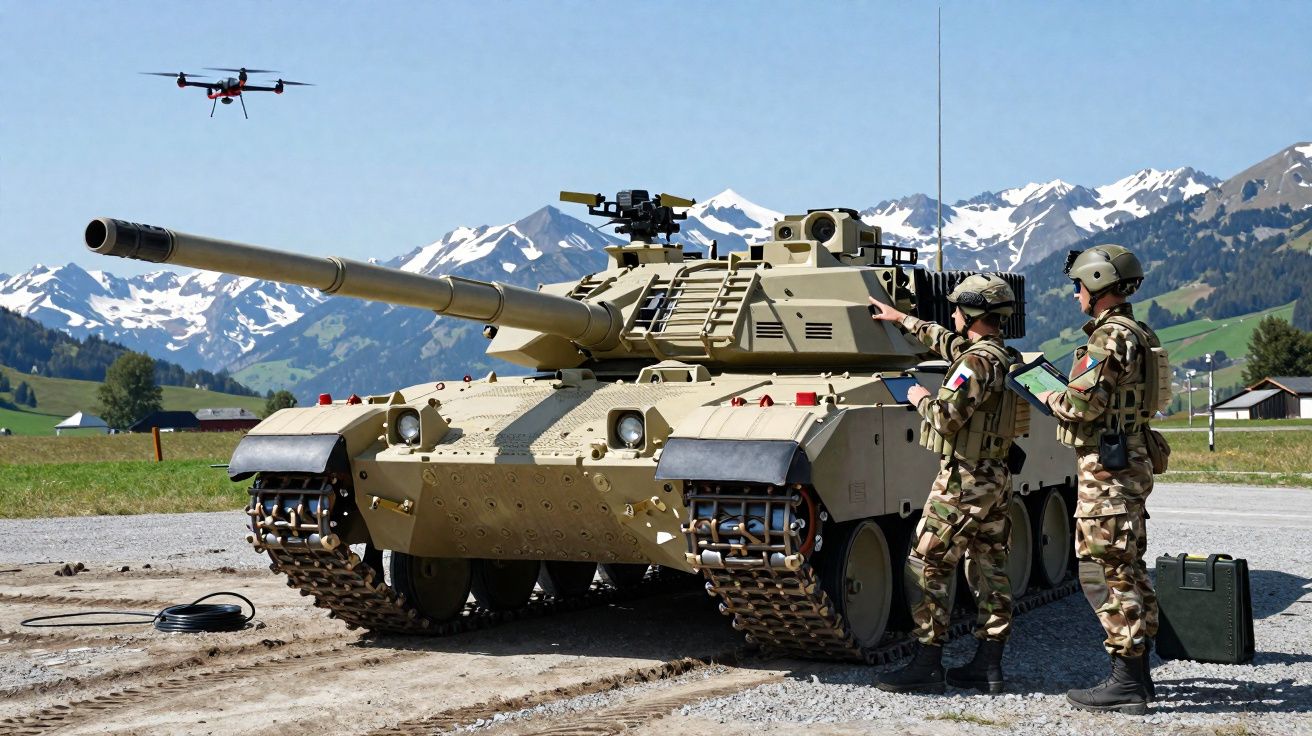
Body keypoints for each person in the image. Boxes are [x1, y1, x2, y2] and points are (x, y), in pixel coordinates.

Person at [869, 274, 1024, 694]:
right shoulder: (996, 354)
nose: (952, 314)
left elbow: (944, 418)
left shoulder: (974, 364)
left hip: (965, 479)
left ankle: (927, 661)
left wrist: (917, 394)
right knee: (989, 565)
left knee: (926, 563)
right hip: (995, 477)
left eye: (957, 307)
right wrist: (901, 317)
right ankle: (988, 665)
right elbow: (945, 340)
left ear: (973, 312)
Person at [1037, 244, 1162, 715]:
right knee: (1127, 566)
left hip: (1108, 470)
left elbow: (1080, 406)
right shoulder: (1137, 332)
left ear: (1096, 283)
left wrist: (1047, 394)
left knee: (1103, 568)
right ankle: (1139, 677)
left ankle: (1127, 680)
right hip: (1128, 461)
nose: (1075, 296)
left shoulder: (1108, 338)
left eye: (1078, 286)